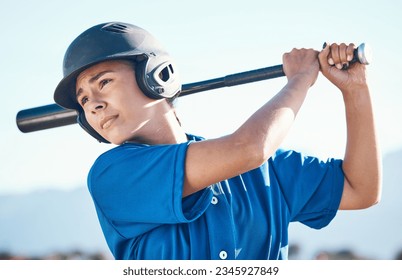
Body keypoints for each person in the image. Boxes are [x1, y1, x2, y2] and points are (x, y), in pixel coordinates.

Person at [53, 22, 382, 260]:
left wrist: (355, 91)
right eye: (83, 100)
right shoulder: (113, 174)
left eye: (104, 83)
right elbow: (249, 148)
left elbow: (361, 189)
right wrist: (299, 80)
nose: (92, 104)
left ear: (157, 76)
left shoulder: (268, 171)